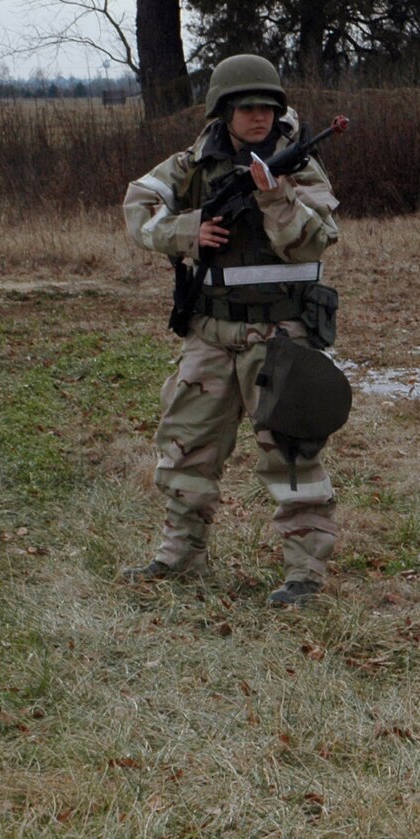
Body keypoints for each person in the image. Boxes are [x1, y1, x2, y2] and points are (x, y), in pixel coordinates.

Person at [120, 54, 342, 608]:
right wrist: (189, 229)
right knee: (185, 449)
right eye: (247, 107)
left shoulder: (299, 166)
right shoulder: (193, 164)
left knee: (292, 455)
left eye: (268, 107)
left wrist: (274, 197)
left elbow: (315, 240)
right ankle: (180, 556)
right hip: (212, 333)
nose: (259, 117)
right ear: (223, 110)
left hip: (281, 335)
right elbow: (137, 206)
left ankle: (305, 575)